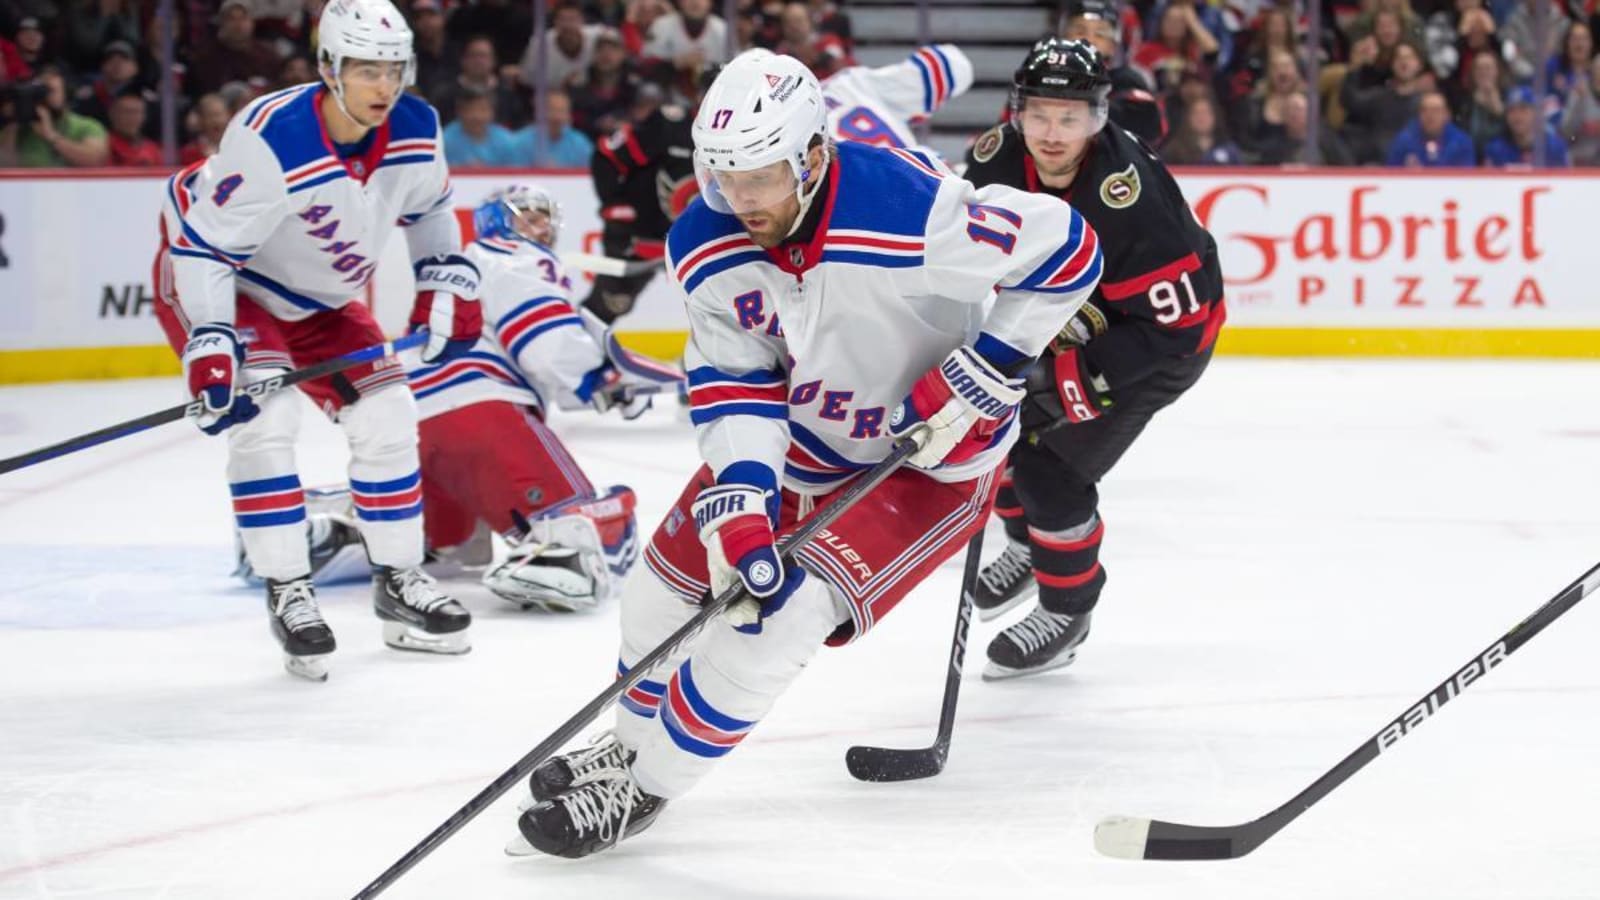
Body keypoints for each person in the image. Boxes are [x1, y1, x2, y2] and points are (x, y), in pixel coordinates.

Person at [508, 49, 1102, 858]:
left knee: (774, 623)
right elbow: (733, 375)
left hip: (926, 466)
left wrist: (990, 364)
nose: (741, 199)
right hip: (801, 445)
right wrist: (744, 500)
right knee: (656, 594)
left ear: (812, 155)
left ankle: (642, 787)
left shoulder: (910, 211)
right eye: (725, 177)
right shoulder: (704, 237)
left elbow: (1067, 246)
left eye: (760, 177)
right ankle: (629, 741)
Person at [151, 0, 484, 681]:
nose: (383, 87)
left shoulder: (418, 127)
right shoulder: (273, 134)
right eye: (366, 70)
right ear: (329, 67)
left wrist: (442, 279)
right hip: (233, 281)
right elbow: (204, 249)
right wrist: (213, 341)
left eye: (394, 70)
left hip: (324, 299)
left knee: (390, 413)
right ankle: (288, 589)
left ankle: (397, 578)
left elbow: (431, 211)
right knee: (266, 420)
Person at [236, 185, 685, 611]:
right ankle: (554, 555)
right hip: (481, 416)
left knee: (451, 542)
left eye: (546, 224)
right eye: (530, 219)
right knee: (598, 526)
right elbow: (545, 342)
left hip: (416, 427)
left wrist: (611, 379)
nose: (541, 232)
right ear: (496, 223)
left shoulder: (457, 266)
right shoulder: (513, 256)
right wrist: (597, 378)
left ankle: (319, 531)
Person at [961, 39, 1224, 679]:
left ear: (1098, 118)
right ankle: (1028, 548)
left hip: (1154, 345)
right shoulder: (992, 161)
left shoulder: (1127, 200)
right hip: (1063, 321)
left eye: (1070, 117)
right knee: (988, 426)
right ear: (1017, 112)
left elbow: (1177, 327)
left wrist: (1057, 379)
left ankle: (1067, 610)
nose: (1053, 134)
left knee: (1050, 474)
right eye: (1041, 115)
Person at [581, 43, 973, 325]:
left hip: (883, 241)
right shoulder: (851, 86)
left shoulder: (774, 148)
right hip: (948, 196)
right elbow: (952, 65)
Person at [1059, 0, 1163, 142]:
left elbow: (1149, 128)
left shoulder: (1127, 80)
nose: (1089, 40)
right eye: (1080, 31)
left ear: (1113, 45)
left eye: (1100, 34)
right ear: (1063, 38)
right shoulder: (1041, 78)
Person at [1386, 90, 1476, 165]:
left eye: (1436, 110)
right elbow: (1391, 175)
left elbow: (1465, 179)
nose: (1430, 116)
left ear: (1447, 115)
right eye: (1425, 110)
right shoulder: (1404, 140)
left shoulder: (1461, 142)